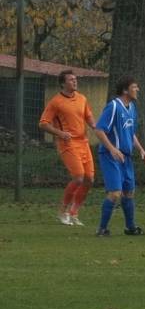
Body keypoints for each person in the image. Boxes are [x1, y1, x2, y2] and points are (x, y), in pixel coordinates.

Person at [93, 75, 145, 236]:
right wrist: (112, 149)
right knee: (115, 192)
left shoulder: (131, 107)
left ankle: (130, 228)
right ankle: (102, 229)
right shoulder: (113, 106)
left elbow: (131, 133)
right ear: (125, 90)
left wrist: (141, 150)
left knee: (129, 192)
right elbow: (99, 129)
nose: (137, 89)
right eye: (134, 87)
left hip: (126, 157)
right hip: (110, 156)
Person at [38, 70, 96, 226]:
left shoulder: (82, 98)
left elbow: (89, 116)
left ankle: (74, 213)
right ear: (63, 83)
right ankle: (62, 212)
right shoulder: (56, 102)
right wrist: (60, 133)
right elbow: (43, 123)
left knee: (89, 179)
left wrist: (96, 127)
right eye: (71, 80)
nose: (75, 82)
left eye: (75, 79)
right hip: (67, 143)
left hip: (83, 142)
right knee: (78, 177)